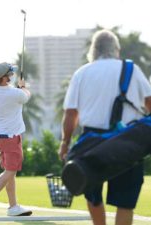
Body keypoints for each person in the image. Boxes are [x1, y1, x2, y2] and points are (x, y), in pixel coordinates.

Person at [59, 29, 151, 225]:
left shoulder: (82, 73)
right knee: (125, 202)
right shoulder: (131, 70)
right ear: (116, 50)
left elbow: (70, 114)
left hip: (91, 143)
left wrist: (65, 143)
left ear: (93, 50)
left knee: (92, 195)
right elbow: (149, 102)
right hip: (127, 143)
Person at [0, 62, 32, 216]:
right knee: (11, 171)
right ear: (5, 78)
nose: (11, 76)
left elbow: (12, 95)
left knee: (10, 172)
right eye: (10, 74)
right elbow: (26, 96)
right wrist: (22, 86)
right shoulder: (15, 93)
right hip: (11, 138)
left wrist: (17, 89)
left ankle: (13, 207)